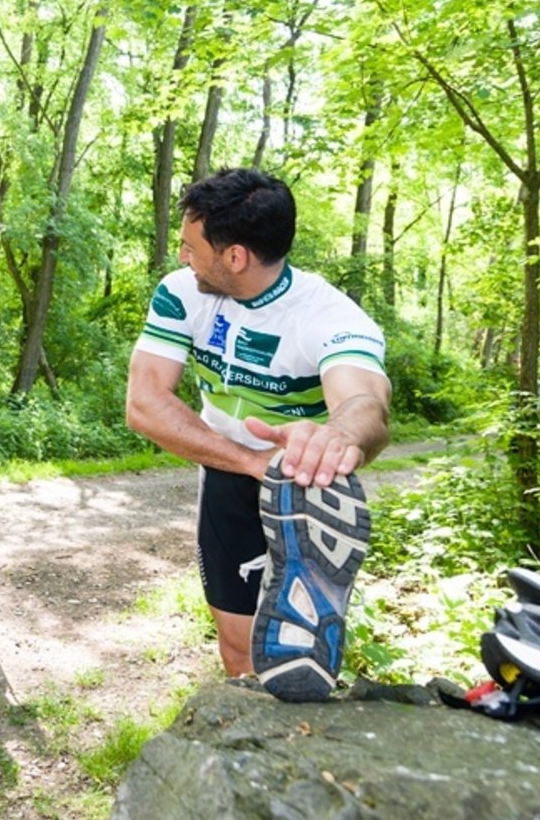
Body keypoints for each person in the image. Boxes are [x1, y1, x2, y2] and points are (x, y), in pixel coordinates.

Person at [125, 168, 391, 701]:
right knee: (240, 646)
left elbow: (366, 403)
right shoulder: (181, 292)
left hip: (303, 486)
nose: (182, 256)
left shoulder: (329, 316)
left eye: (191, 246)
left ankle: (306, 715)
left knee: (294, 651)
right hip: (228, 472)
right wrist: (249, 461)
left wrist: (338, 436)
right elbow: (144, 403)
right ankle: (250, 735)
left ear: (235, 256)